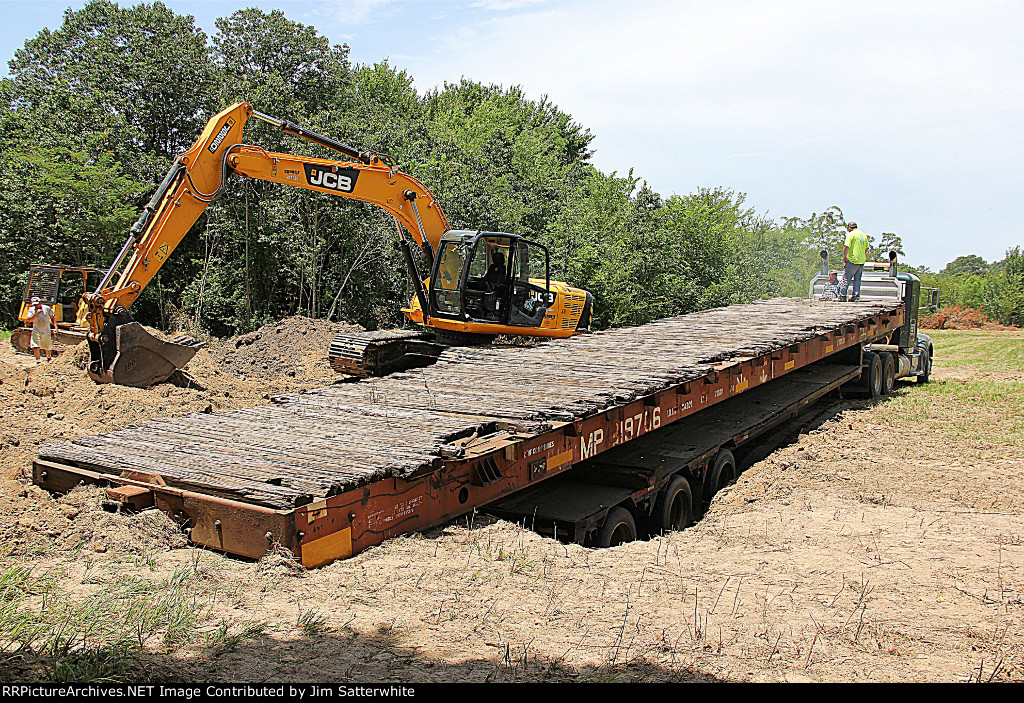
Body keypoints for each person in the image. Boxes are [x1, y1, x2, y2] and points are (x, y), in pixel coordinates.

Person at [24, 296, 58, 363]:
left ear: (40, 302)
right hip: (36, 330)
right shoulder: (31, 310)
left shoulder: (47, 308)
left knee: (47, 346)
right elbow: (29, 320)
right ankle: (38, 360)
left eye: (37, 304)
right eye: (34, 304)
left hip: (46, 330)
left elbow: (52, 318)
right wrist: (35, 313)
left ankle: (48, 357)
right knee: (35, 346)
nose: (36, 306)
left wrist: (55, 327)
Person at [841, 221, 869, 301]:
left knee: (846, 279)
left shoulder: (851, 235)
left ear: (849, 227)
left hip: (852, 260)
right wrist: (861, 254)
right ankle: (856, 296)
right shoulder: (863, 235)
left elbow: (846, 247)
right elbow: (866, 248)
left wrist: (845, 257)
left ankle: (843, 296)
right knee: (857, 279)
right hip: (861, 261)